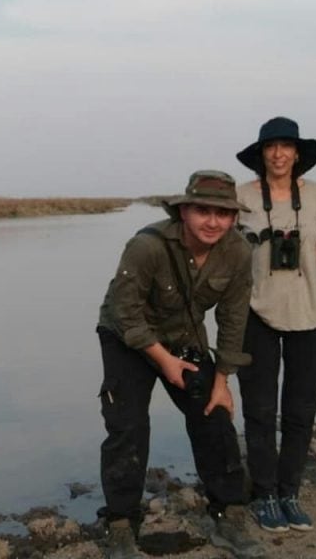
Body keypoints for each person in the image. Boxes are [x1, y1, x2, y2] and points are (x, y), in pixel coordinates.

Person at [97, 171, 264, 559]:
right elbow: (125, 312)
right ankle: (120, 525)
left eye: (223, 214)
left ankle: (228, 513)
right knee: (127, 425)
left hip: (183, 336)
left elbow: (234, 317)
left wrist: (222, 379)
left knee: (214, 415)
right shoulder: (146, 246)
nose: (213, 222)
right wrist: (163, 362)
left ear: (234, 218)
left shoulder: (238, 251)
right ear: (184, 211)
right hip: (126, 335)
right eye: (203, 211)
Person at [235, 118, 316, 533]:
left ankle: (290, 490)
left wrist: (300, 283)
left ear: (297, 153)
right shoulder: (241, 197)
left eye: (286, 146)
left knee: (300, 409)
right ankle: (266, 493)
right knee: (259, 410)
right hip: (256, 314)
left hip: (310, 314)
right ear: (260, 154)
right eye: (270, 147)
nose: (278, 154)